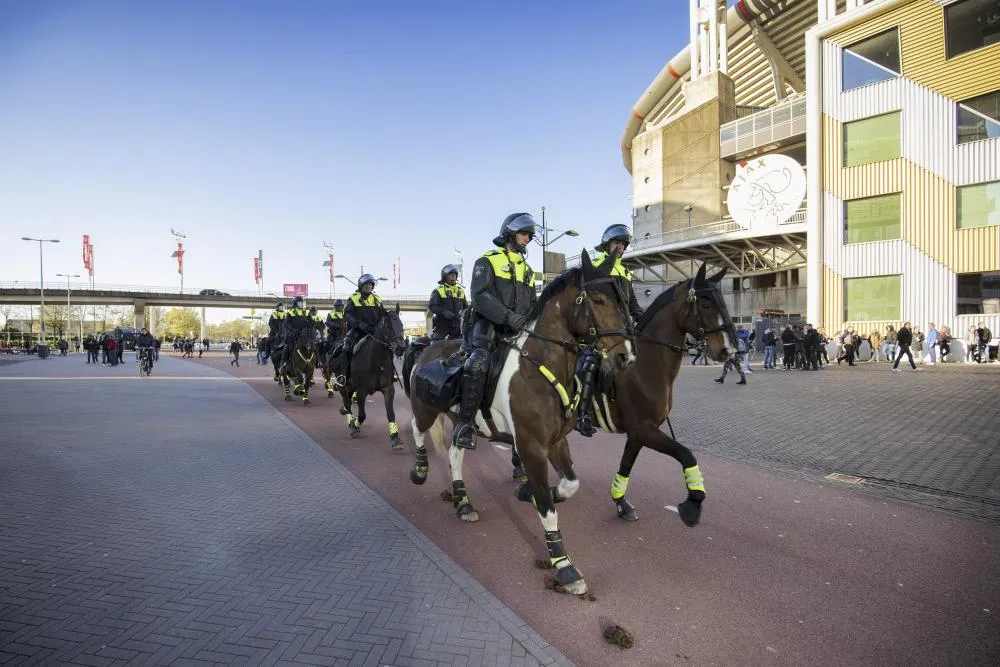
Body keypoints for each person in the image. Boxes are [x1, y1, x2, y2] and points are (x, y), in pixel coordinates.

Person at [453, 213, 538, 449]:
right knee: (477, 363)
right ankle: (465, 424)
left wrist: (531, 322)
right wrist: (509, 317)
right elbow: (480, 297)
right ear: (509, 233)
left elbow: (532, 304)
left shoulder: (528, 270)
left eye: (530, 235)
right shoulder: (487, 260)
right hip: (488, 327)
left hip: (518, 331)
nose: (527, 238)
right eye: (523, 233)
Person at [573, 224, 643, 437]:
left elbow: (631, 302)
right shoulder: (596, 266)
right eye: (617, 243)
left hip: (623, 328)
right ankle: (583, 413)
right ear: (607, 244)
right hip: (600, 329)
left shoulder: (625, 271)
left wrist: (641, 314)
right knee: (590, 363)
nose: (620, 247)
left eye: (623, 244)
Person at [340, 275, 384, 385]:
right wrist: (358, 324)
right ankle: (343, 376)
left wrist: (378, 326)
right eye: (366, 284)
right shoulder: (354, 298)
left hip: (374, 331)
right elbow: (347, 314)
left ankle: (388, 373)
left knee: (387, 346)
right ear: (361, 286)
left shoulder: (377, 299)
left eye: (370, 284)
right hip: (358, 330)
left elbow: (382, 315)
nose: (369, 286)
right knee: (346, 347)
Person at [428, 264, 467, 341]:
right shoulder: (438, 290)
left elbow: (465, 307)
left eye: (454, 275)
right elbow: (432, 306)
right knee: (435, 343)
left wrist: (465, 313)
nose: (453, 277)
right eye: (450, 275)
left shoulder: (460, 291)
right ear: (445, 277)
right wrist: (444, 312)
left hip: (458, 325)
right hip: (442, 324)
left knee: (466, 345)